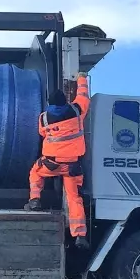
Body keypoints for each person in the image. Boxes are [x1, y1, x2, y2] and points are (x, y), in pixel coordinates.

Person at [25, 72, 90, 246]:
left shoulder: (44, 118)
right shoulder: (77, 111)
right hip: (72, 166)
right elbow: (84, 96)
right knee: (74, 198)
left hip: (51, 163)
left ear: (50, 104)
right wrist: (82, 78)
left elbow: (41, 133)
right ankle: (80, 235)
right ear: (65, 101)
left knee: (35, 173)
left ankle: (35, 200)